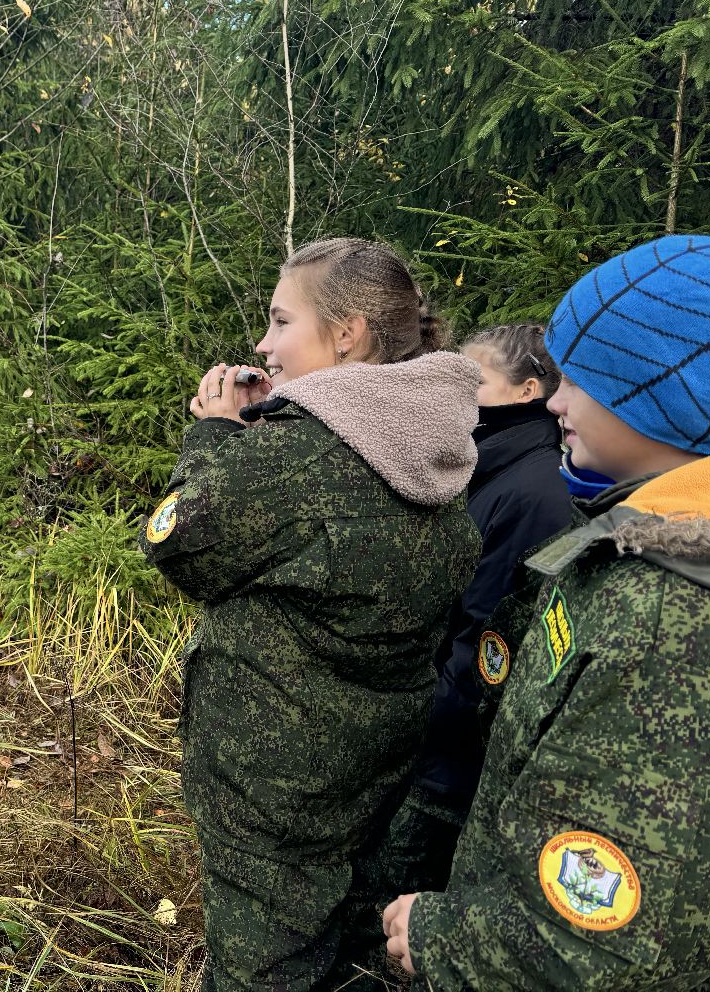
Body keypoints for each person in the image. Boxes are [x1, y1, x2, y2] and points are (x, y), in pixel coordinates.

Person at [140, 238, 482, 990]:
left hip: (277, 787)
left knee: (264, 967)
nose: (264, 344)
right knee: (350, 953)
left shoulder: (295, 457)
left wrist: (215, 434)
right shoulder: (435, 443)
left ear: (348, 332)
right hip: (377, 765)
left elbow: (177, 541)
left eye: (280, 320)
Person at [383, 235, 710, 987]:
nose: (557, 401)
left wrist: (436, 935)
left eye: (586, 380)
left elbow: (599, 943)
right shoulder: (645, 544)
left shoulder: (669, 613)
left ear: (670, 400)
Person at [380, 324, 571, 894]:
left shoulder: (535, 491)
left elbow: (482, 645)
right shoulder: (483, 468)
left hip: (444, 769)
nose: (456, 395)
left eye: (475, 381)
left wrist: (409, 731)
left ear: (526, 391)